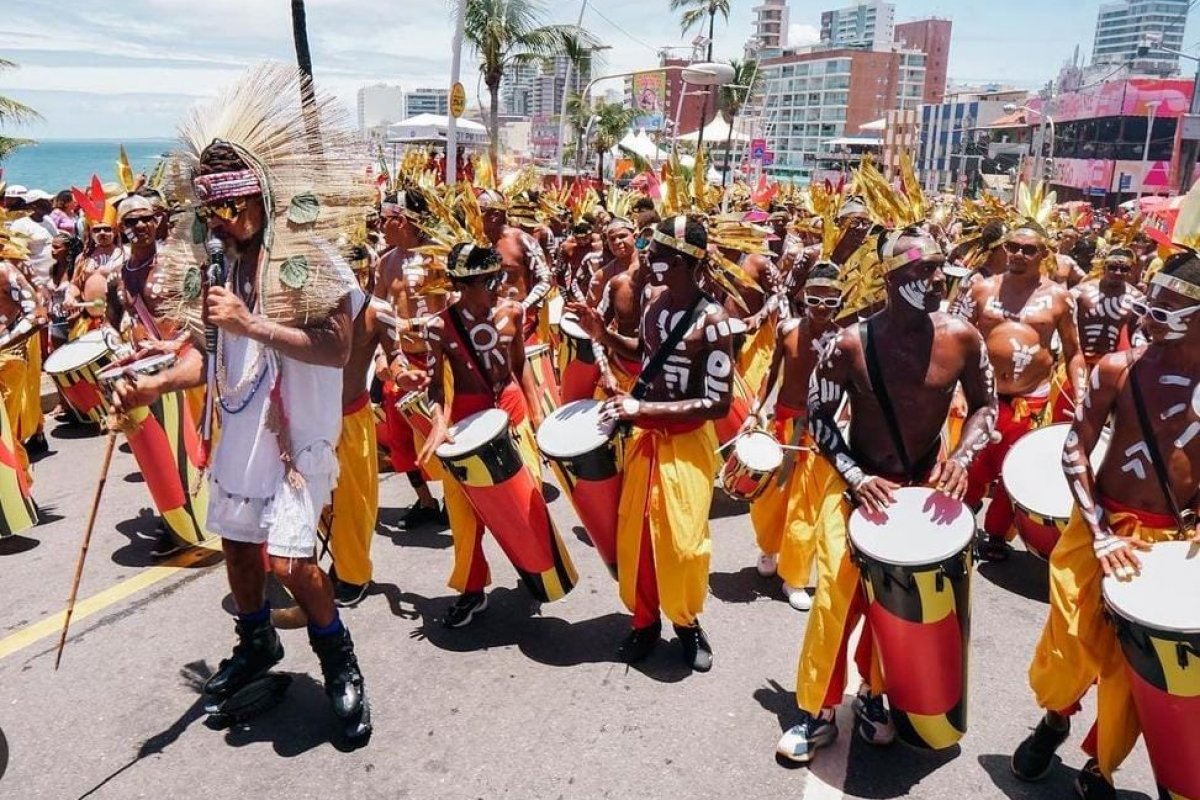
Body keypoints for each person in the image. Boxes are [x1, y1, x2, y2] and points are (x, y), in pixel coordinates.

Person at [114, 68, 372, 740]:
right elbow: (208, 356)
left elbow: (338, 346)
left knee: (291, 562)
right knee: (238, 549)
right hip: (240, 434)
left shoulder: (315, 260)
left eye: (233, 206)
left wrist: (253, 323)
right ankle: (257, 642)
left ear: (261, 194)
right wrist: (153, 386)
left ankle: (339, 662)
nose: (224, 221)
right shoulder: (219, 268)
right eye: (214, 209)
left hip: (300, 437)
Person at [777, 225, 997, 763]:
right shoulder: (848, 344)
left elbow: (986, 407)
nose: (938, 278)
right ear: (893, 278)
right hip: (859, 489)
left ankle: (876, 695)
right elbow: (820, 422)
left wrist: (962, 458)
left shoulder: (963, 337)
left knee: (902, 609)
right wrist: (855, 477)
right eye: (924, 270)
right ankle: (820, 711)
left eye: (940, 267)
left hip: (923, 491)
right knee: (835, 602)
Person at [1010, 252, 1200, 799]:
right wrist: (1099, 533)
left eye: (1171, 303)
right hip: (1098, 525)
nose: (1153, 309)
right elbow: (1075, 450)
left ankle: (1100, 762)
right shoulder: (1119, 369)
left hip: (1169, 542)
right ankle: (1054, 719)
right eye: (1155, 297)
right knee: (1070, 641)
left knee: (1128, 667)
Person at [592, 215, 734, 672]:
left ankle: (687, 623)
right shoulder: (653, 305)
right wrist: (603, 335)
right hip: (647, 440)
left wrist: (644, 412)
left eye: (659, 255)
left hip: (688, 443)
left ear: (685, 262)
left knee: (686, 545)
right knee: (637, 540)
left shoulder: (714, 323)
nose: (648, 260)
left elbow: (716, 403)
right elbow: (645, 355)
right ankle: (645, 621)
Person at [418, 242, 566, 628]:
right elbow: (436, 387)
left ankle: (538, 569)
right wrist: (438, 422)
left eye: (484, 280)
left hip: (512, 414)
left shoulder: (512, 312)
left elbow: (522, 369)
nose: (477, 289)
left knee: (527, 502)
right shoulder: (438, 326)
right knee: (465, 517)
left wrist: (538, 420)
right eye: (467, 283)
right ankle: (470, 590)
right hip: (466, 421)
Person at [956, 222, 1087, 560]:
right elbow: (958, 343)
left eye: (1029, 249)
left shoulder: (1060, 298)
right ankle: (960, 519)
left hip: (1032, 400)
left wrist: (1083, 394)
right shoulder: (982, 290)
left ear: (1044, 254)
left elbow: (1074, 352)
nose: (1018, 254)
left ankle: (998, 533)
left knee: (1014, 467)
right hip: (982, 396)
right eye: (1012, 246)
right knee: (971, 461)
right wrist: (956, 389)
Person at [744, 263, 842, 611]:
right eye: (814, 299)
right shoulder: (787, 330)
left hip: (818, 434)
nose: (821, 307)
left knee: (806, 508)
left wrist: (844, 422)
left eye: (830, 302)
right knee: (769, 499)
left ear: (840, 303)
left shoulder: (845, 339)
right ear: (803, 298)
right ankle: (769, 548)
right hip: (783, 427)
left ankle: (796, 577)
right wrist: (756, 408)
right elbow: (772, 375)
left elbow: (852, 389)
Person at [374, 189, 447, 529]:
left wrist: (414, 324)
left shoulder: (437, 257)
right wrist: (379, 357)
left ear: (401, 219)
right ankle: (427, 502)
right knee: (400, 441)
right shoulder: (385, 262)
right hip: (400, 364)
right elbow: (374, 312)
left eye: (383, 219)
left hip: (435, 361)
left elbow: (452, 306)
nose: (379, 225)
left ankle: (460, 499)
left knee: (444, 435)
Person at [1050, 246, 1143, 422]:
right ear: (1104, 266)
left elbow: (1137, 334)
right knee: (1062, 413)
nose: (1118, 272)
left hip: (1111, 368)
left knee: (1102, 419)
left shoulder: (1137, 300)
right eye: (1113, 267)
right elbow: (1060, 323)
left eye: (1124, 269)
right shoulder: (1080, 293)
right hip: (1076, 362)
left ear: (1131, 271)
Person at [479, 190, 552, 344]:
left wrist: (522, 307)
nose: (473, 214)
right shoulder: (477, 242)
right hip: (488, 321)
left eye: (479, 210)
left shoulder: (521, 239)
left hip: (521, 322)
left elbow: (546, 279)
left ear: (495, 214)